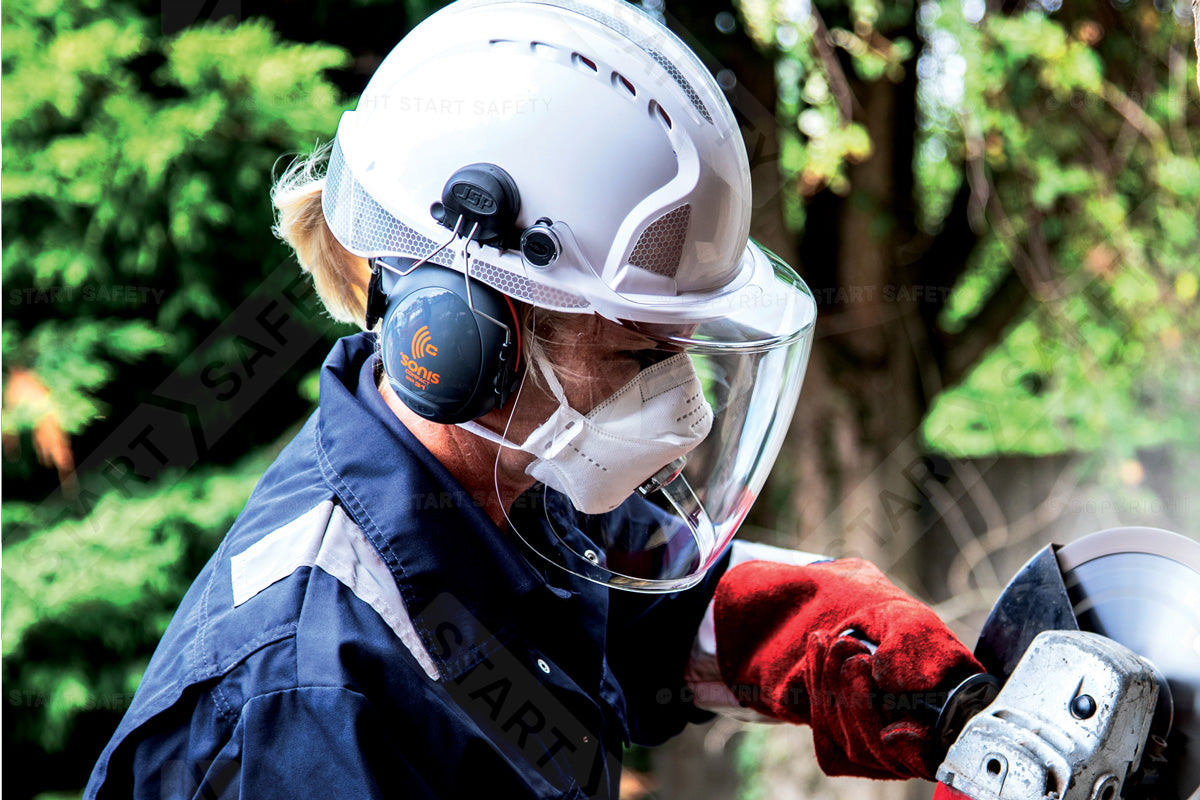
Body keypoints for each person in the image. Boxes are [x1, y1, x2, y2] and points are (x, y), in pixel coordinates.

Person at [86, 0, 982, 796]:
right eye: (642, 350)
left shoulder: (517, 487)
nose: (684, 405)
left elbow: (660, 615)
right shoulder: (306, 699)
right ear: (471, 337)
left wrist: (844, 643)